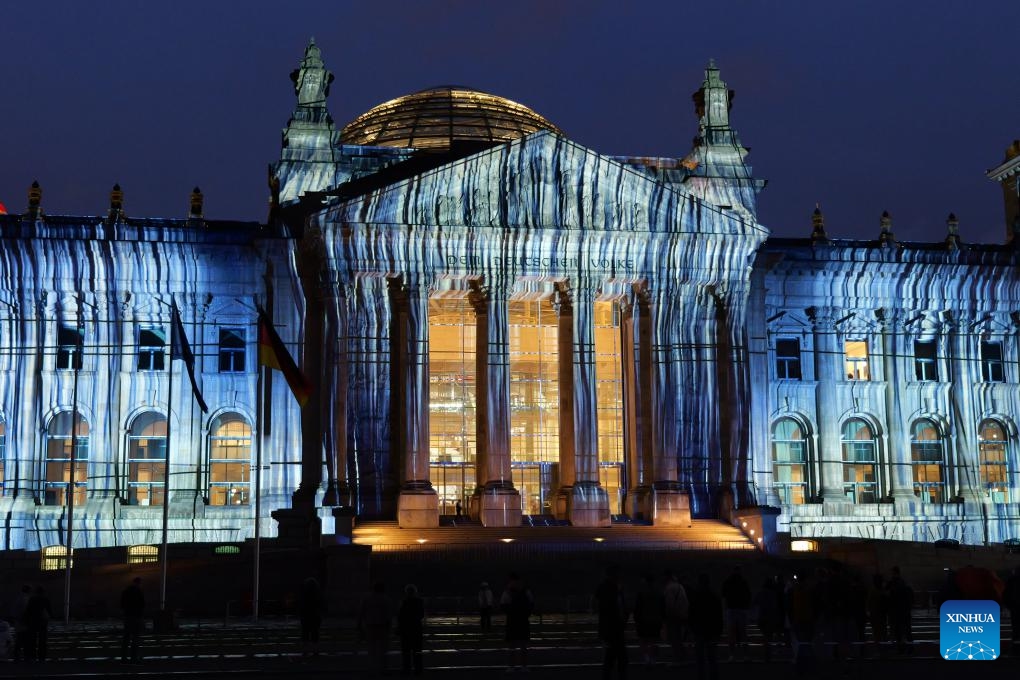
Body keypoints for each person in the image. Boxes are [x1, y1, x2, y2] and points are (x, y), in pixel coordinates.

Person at [594, 565, 628, 679]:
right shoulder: (617, 588)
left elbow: (597, 604)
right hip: (616, 625)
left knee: (610, 654)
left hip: (607, 625)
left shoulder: (602, 587)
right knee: (620, 654)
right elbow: (621, 607)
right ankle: (620, 674)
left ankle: (607, 675)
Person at [688, 574, 722, 680]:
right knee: (712, 658)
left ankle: (701, 677)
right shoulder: (714, 595)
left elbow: (691, 614)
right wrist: (719, 631)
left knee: (700, 659)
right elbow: (718, 615)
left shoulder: (695, 596)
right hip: (712, 630)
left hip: (699, 630)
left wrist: (692, 628)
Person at [500, 572, 533, 672]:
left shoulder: (508, 592)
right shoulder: (524, 591)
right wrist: (525, 613)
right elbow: (531, 604)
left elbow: (503, 605)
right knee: (518, 645)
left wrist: (511, 612)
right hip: (520, 620)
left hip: (514, 620)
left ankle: (514, 666)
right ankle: (520, 666)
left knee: (515, 645)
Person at [359, 582, 393, 676]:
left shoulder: (367, 598)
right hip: (382, 626)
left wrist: (359, 625)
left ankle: (372, 668)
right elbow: (388, 615)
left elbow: (362, 612)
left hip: (370, 625)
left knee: (371, 648)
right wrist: (389, 627)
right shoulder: (386, 599)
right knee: (383, 649)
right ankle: (383, 669)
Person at [721, 565, 751, 660]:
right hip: (742, 609)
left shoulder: (728, 581)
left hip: (731, 608)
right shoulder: (744, 582)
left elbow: (723, 594)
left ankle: (731, 654)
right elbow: (748, 595)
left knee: (731, 632)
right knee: (743, 633)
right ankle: (745, 654)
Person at [633, 573, 663, 666]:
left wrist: (636, 619)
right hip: (656, 620)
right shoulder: (659, 592)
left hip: (643, 620)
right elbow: (662, 607)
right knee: (654, 640)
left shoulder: (641, 592)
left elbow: (637, 608)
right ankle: (653, 659)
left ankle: (646, 658)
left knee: (643, 640)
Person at [397, 584, 425, 676]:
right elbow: (421, 615)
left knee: (406, 652)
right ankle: (418, 669)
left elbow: (400, 616)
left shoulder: (404, 602)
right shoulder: (419, 601)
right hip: (416, 628)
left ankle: (406, 669)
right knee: (417, 651)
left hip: (406, 629)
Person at [662, 570, 689, 663]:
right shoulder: (680, 586)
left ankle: (677, 656)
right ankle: (682, 654)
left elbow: (669, 604)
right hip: (682, 614)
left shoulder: (669, 588)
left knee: (674, 637)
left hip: (674, 616)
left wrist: (666, 616)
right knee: (679, 637)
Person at [753, 576, 782, 662]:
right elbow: (775, 606)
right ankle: (768, 653)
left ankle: (767, 652)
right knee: (769, 636)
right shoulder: (773, 594)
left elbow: (754, 603)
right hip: (770, 617)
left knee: (765, 635)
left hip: (762, 617)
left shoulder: (760, 592)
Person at [887, 566, 913, 654]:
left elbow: (889, 597)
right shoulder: (903, 583)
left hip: (896, 611)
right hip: (904, 610)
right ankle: (910, 647)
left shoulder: (892, 584)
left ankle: (900, 648)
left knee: (898, 631)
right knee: (907, 630)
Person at [120, 577, 146, 663]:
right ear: (139, 583)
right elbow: (142, 605)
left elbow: (122, 604)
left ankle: (123, 657)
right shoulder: (139, 592)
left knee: (126, 638)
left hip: (128, 617)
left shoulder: (126, 591)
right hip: (136, 617)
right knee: (135, 638)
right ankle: (133, 657)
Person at [24, 586, 51, 662]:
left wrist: (26, 620)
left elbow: (28, 611)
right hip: (43, 622)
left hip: (33, 622)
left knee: (33, 640)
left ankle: (32, 655)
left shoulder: (32, 599)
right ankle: (42, 656)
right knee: (42, 640)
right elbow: (49, 611)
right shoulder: (45, 599)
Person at [298, 577, 322, 658]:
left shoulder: (305, 594)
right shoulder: (318, 594)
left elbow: (302, 606)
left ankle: (305, 652)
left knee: (305, 634)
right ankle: (315, 651)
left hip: (306, 617)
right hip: (315, 617)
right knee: (315, 634)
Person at [11, 585, 31, 662]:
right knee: (23, 639)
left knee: (19, 639)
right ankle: (23, 655)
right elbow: (25, 611)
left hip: (19, 622)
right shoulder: (25, 598)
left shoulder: (19, 598)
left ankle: (17, 655)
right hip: (23, 622)